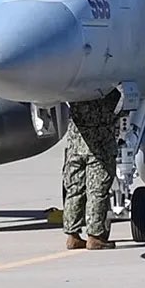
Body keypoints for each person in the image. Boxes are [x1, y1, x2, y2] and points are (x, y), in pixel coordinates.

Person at [62, 89, 121, 250]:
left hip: (75, 148)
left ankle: (72, 235)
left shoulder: (74, 93)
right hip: (98, 149)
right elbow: (117, 104)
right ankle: (95, 236)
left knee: (74, 190)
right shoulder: (105, 92)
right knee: (97, 192)